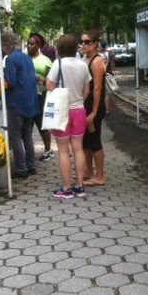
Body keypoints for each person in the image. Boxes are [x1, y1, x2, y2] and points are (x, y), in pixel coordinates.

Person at [46, 34, 92, 199]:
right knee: (78, 148)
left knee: (64, 150)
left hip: (62, 112)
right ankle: (80, 186)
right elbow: (87, 90)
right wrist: (78, 101)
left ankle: (66, 188)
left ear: (59, 48)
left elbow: (49, 85)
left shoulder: (57, 64)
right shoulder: (83, 65)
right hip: (79, 110)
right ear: (75, 48)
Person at [2, 31, 39, 178]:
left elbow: (10, 82)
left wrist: (0, 80)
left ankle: (21, 169)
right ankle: (31, 166)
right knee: (27, 135)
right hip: (29, 100)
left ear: (6, 45)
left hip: (16, 101)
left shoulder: (11, 59)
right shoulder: (27, 57)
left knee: (15, 136)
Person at [81, 30, 107, 186]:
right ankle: (89, 171)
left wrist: (94, 111)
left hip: (94, 107)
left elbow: (97, 88)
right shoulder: (87, 59)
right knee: (86, 140)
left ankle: (100, 176)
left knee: (95, 139)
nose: (83, 44)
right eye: (82, 41)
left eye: (87, 42)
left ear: (95, 44)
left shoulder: (96, 62)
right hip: (87, 106)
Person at [27, 32, 54, 162]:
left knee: (42, 124)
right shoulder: (24, 58)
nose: (28, 46)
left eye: (31, 44)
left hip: (40, 96)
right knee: (28, 124)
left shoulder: (46, 61)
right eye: (28, 44)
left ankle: (48, 149)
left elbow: (52, 80)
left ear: (38, 45)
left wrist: (42, 79)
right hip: (26, 96)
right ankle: (29, 151)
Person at [99, 41, 113, 115]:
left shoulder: (98, 55)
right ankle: (107, 109)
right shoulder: (106, 54)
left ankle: (101, 108)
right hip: (106, 73)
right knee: (107, 93)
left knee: (100, 92)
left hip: (100, 74)